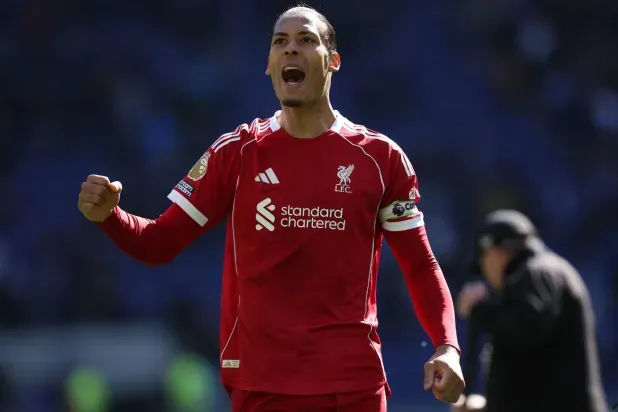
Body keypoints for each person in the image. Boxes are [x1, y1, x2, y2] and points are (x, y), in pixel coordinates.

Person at [77, 6, 465, 411]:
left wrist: (447, 346)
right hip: (261, 386)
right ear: (268, 65)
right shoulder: (237, 153)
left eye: (306, 40)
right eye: (280, 42)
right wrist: (110, 217)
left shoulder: (380, 159)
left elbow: (420, 265)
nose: (290, 49)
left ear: (333, 61)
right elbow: (159, 242)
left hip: (352, 386)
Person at [454, 210, 608, 412]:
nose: (483, 269)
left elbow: (527, 327)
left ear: (494, 252)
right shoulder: (547, 271)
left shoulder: (537, 273)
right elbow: (534, 367)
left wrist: (480, 310)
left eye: (483, 259)